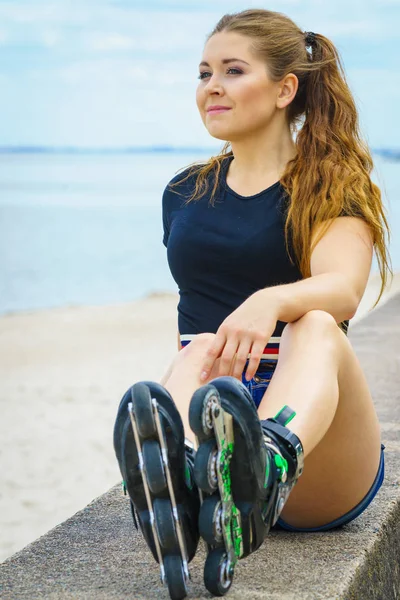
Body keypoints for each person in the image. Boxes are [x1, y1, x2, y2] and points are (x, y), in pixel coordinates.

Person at [113, 8, 391, 600]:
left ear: (285, 88)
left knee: (317, 323)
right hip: (216, 405)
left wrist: (271, 300)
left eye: (233, 70)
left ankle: (263, 464)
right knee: (196, 352)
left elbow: (343, 289)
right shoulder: (185, 192)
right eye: (204, 71)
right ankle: (186, 477)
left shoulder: (333, 181)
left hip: (321, 452)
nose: (211, 85)